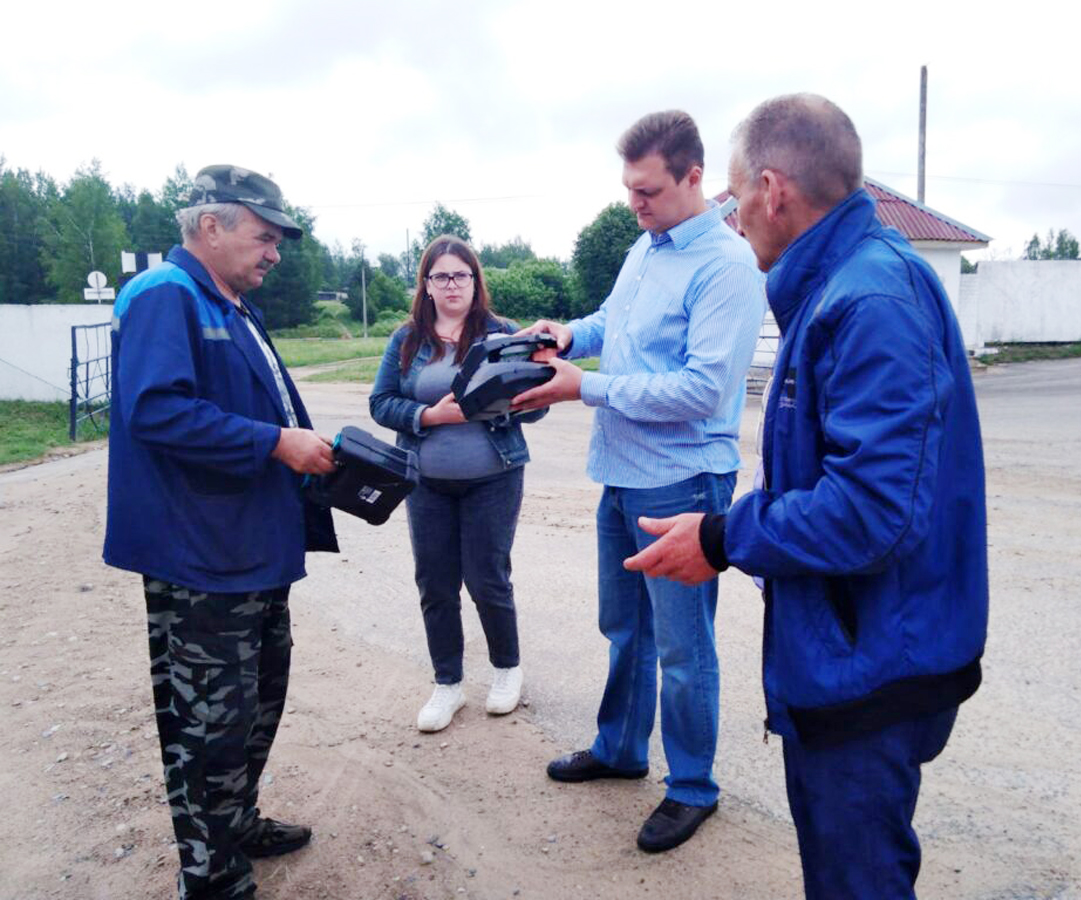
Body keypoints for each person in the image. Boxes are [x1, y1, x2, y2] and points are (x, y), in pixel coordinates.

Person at [625, 93, 989, 898]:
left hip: (873, 666)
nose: (731, 215)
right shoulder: (838, 286)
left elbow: (871, 512)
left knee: (857, 879)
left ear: (772, 188)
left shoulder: (868, 299)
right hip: (860, 647)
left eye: (732, 194)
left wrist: (721, 538)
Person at [512, 110, 765, 853]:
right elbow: (614, 324)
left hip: (682, 484)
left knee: (683, 650)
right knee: (625, 627)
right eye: (629, 190)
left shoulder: (727, 267)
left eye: (649, 190)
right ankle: (621, 749)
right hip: (622, 476)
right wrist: (568, 335)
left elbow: (698, 390)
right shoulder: (645, 248)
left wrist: (582, 387)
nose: (636, 203)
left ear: (695, 178)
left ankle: (691, 787)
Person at [103, 165, 340, 900]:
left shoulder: (231, 303)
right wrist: (277, 442)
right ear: (212, 226)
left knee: (252, 703)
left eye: (277, 241)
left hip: (248, 547)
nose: (274, 253)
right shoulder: (164, 296)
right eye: (263, 236)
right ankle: (209, 873)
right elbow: (156, 410)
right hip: (199, 552)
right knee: (206, 720)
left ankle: (234, 823)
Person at [370, 235, 546, 733]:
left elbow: (538, 405)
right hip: (426, 481)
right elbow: (381, 403)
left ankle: (506, 671)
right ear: (426, 285)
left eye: (461, 275)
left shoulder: (504, 334)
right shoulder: (406, 340)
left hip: (494, 477)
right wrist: (430, 415)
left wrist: (513, 399)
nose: (452, 285)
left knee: (487, 578)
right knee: (435, 582)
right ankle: (447, 683)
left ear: (475, 281)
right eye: (441, 276)